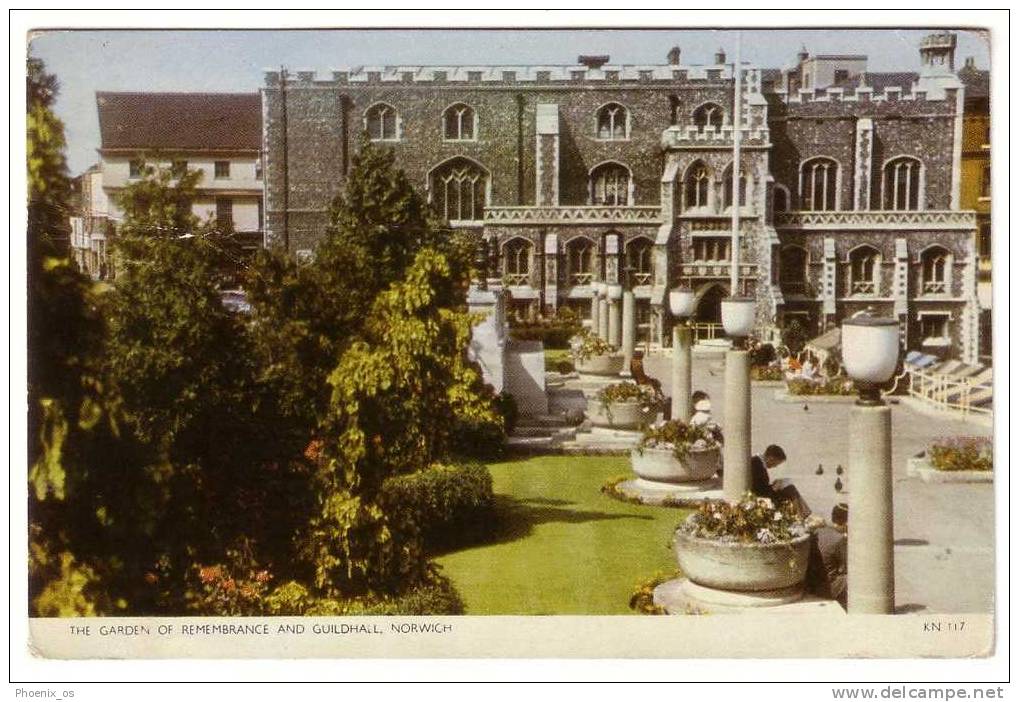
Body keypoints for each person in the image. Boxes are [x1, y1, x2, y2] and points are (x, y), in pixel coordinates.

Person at [806, 504, 848, 609]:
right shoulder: (839, 539)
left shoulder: (819, 531)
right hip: (826, 587)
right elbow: (845, 567)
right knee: (856, 578)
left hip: (810, 583)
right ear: (846, 522)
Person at [750, 444, 812, 516]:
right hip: (761, 497)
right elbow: (760, 490)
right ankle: (802, 515)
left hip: (764, 493)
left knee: (790, 488)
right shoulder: (756, 464)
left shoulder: (759, 463)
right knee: (790, 489)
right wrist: (774, 487)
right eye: (776, 463)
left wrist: (774, 485)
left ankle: (803, 514)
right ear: (771, 458)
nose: (775, 466)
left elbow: (761, 485)